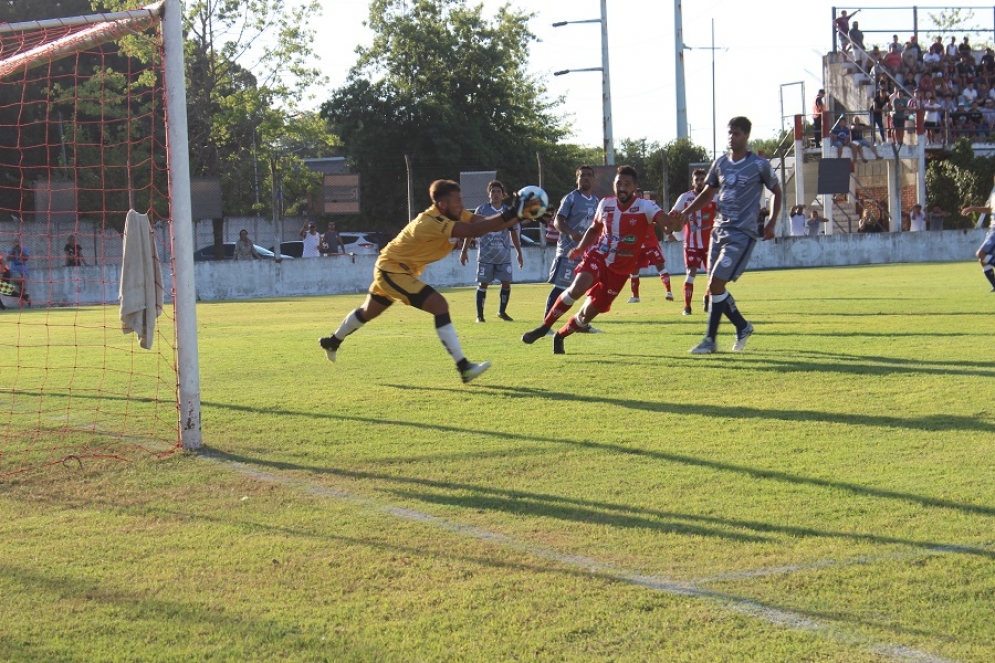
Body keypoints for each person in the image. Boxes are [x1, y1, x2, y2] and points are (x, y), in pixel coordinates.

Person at [318, 179, 535, 383]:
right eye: (457, 200)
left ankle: (332, 341)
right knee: (439, 305)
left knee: (368, 311)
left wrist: (524, 214)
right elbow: (475, 230)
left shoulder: (455, 214)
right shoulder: (432, 221)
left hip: (401, 271)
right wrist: (515, 212)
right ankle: (464, 367)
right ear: (442, 204)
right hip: (392, 269)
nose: (462, 204)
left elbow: (488, 224)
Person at [521, 165, 673, 354]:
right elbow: (594, 229)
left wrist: (675, 222)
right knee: (576, 287)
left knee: (586, 316)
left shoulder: (645, 207)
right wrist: (580, 248)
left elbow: (667, 222)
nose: (622, 188)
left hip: (620, 271)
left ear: (635, 188)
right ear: (613, 185)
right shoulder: (605, 204)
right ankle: (543, 328)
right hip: (599, 255)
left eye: (627, 184)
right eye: (619, 183)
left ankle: (559, 335)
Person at [673, 116, 782, 355]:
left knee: (715, 284)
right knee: (715, 288)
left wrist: (772, 222)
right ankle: (742, 326)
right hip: (718, 231)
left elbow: (776, 192)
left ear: (747, 136)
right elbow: (708, 193)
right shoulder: (720, 163)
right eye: (730, 133)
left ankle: (710, 341)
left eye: (737, 133)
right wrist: (687, 212)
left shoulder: (759, 165)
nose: (732, 137)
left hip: (742, 234)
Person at [460, 179, 523, 322]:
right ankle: (480, 316)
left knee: (506, 283)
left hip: (504, 255)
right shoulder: (481, 210)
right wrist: (464, 251)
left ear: (503, 194)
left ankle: (502, 312)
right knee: (483, 284)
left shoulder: (508, 211)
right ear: (489, 194)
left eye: (498, 192)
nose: (495, 194)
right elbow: (472, 231)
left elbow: (513, 232)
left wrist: (519, 252)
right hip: (486, 256)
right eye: (493, 192)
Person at [544, 165, 599, 317]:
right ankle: (545, 323)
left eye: (589, 175)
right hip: (568, 252)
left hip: (587, 254)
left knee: (585, 288)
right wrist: (571, 232)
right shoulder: (571, 198)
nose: (586, 177)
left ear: (593, 180)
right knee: (561, 286)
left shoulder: (596, 201)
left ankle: (582, 321)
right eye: (582, 175)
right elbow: (557, 222)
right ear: (577, 179)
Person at [670, 168, 716, 316]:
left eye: (703, 179)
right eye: (697, 180)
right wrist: (672, 229)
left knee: (713, 275)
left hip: (710, 244)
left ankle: (707, 298)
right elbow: (673, 214)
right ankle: (687, 307)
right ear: (692, 182)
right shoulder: (685, 198)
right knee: (690, 274)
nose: (700, 182)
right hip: (691, 244)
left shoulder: (713, 197)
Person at [627, 189, 674, 304]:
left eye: (639, 195)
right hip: (636, 245)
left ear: (642, 196)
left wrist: (668, 233)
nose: (637, 197)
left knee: (660, 266)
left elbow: (659, 220)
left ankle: (669, 291)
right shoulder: (627, 209)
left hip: (650, 243)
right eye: (635, 195)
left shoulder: (648, 206)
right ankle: (635, 296)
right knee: (634, 270)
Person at [962, 189, 995, 291]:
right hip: (992, 229)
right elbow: (989, 209)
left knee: (980, 253)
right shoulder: (993, 195)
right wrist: (973, 208)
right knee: (983, 261)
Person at [5, 242, 30, 306]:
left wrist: (19, 250)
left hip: (24, 270)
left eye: (17, 242)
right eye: (15, 242)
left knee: (22, 286)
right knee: (18, 281)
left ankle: (22, 300)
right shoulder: (10, 250)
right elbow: (7, 259)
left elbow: (26, 258)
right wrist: (13, 251)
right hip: (14, 270)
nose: (16, 244)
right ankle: (24, 297)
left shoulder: (24, 249)